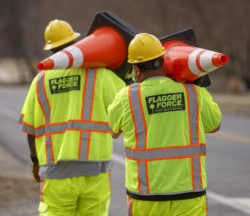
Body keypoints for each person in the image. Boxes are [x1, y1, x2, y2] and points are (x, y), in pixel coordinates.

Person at [18, 19, 125, 216]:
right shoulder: (100, 75)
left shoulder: (40, 80)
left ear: (50, 50)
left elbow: (30, 129)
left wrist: (35, 160)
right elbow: (126, 112)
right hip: (95, 169)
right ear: (76, 43)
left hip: (55, 170)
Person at [108, 33, 221, 216]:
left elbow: (113, 129)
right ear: (163, 60)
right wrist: (195, 83)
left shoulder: (126, 97)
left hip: (146, 196)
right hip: (189, 193)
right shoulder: (193, 92)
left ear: (136, 69)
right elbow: (214, 124)